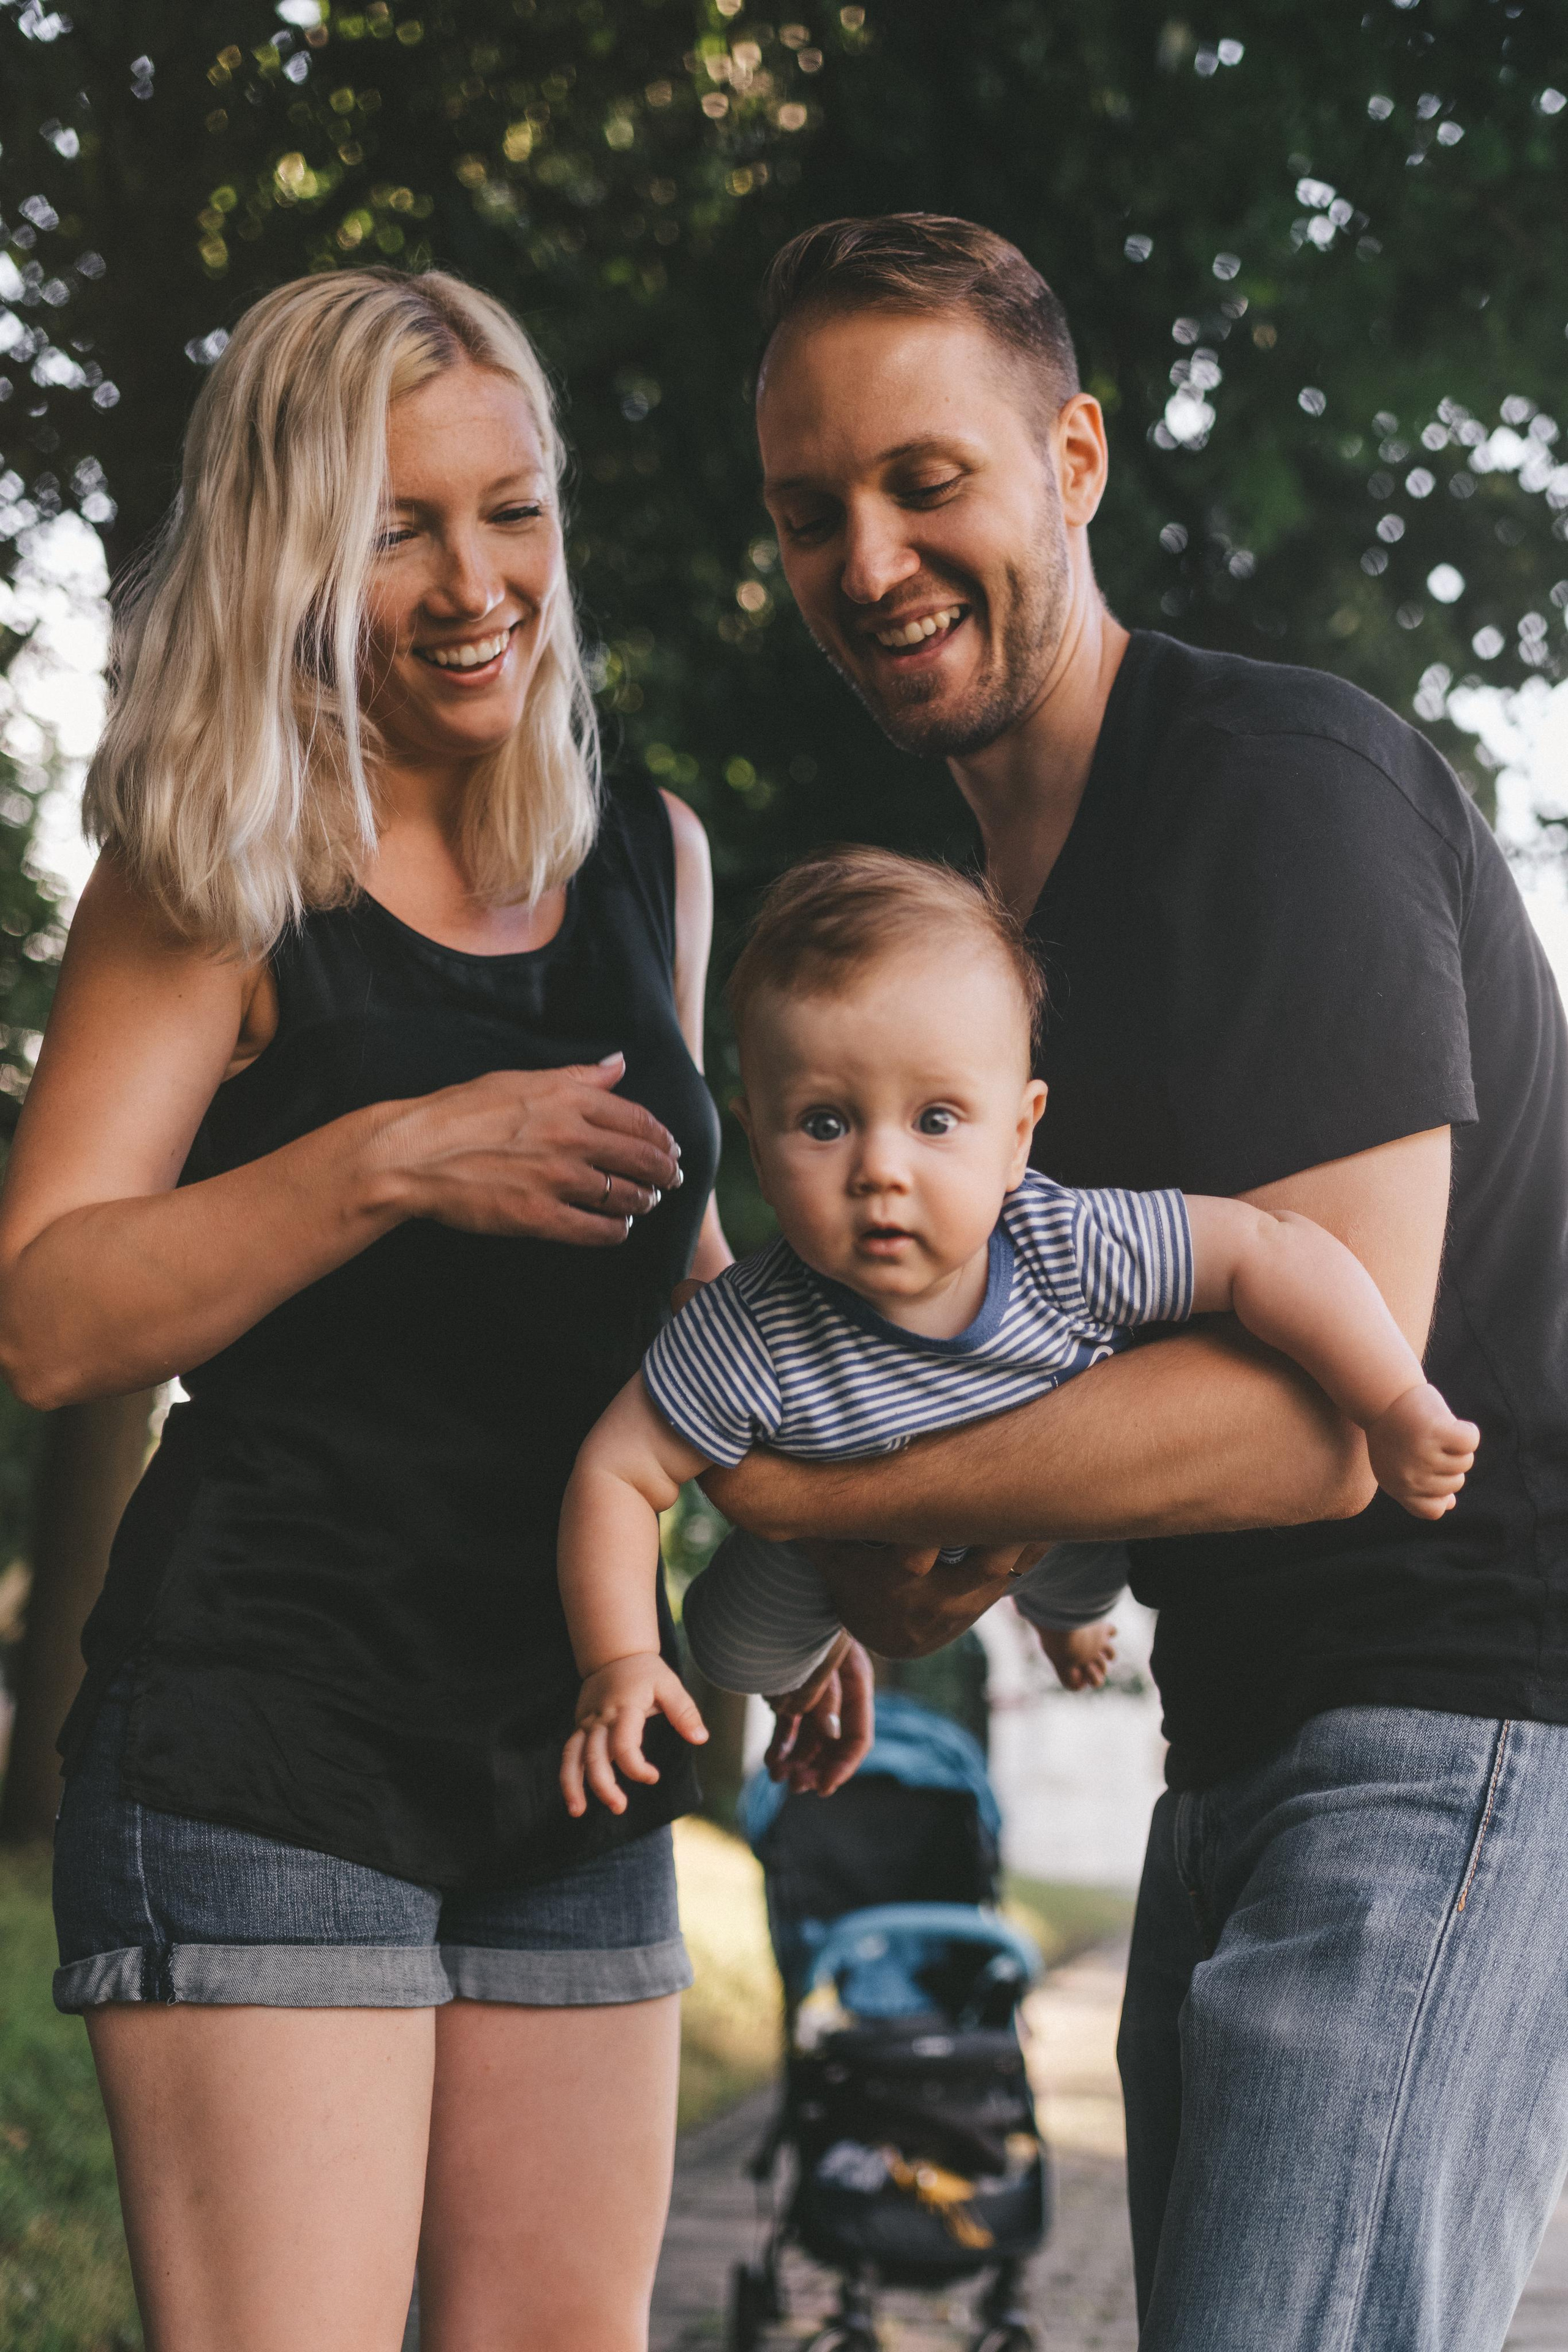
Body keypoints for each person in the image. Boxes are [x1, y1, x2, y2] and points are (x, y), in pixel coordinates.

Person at [691, 214, 1568, 2352]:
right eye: (812, 512)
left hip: (1463, 1715)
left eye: (927, 480)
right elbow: (1035, 1415)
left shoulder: (1279, 800)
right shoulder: (971, 959)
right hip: (1242, 1731)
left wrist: (828, 1492)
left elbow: (1314, 1431)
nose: (869, 557)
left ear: (1073, 461)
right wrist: (908, 1568)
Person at [0, 267, 747, 2352]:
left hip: (573, 1740)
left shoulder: (649, 858)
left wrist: (826, 1530)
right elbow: (52, 1318)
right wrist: (387, 1160)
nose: (474, 582)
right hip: (270, 1730)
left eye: (510, 513)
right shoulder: (209, 867)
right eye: (397, 529)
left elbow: (681, 1284)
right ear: (289, 553)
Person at [557, 846, 1477, 1815]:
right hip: (825, 1533)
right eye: (824, 1124)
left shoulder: (1067, 1242)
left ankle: (1062, 1624)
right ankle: (809, 1672)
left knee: (1090, 1575)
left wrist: (1392, 1400)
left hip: (1048, 1503)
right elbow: (616, 1473)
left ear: (1020, 1134)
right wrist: (617, 1657)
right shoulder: (751, 1329)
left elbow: (1268, 1251)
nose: (881, 1169)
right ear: (757, 1139)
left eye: (937, 1119)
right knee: (729, 1646)